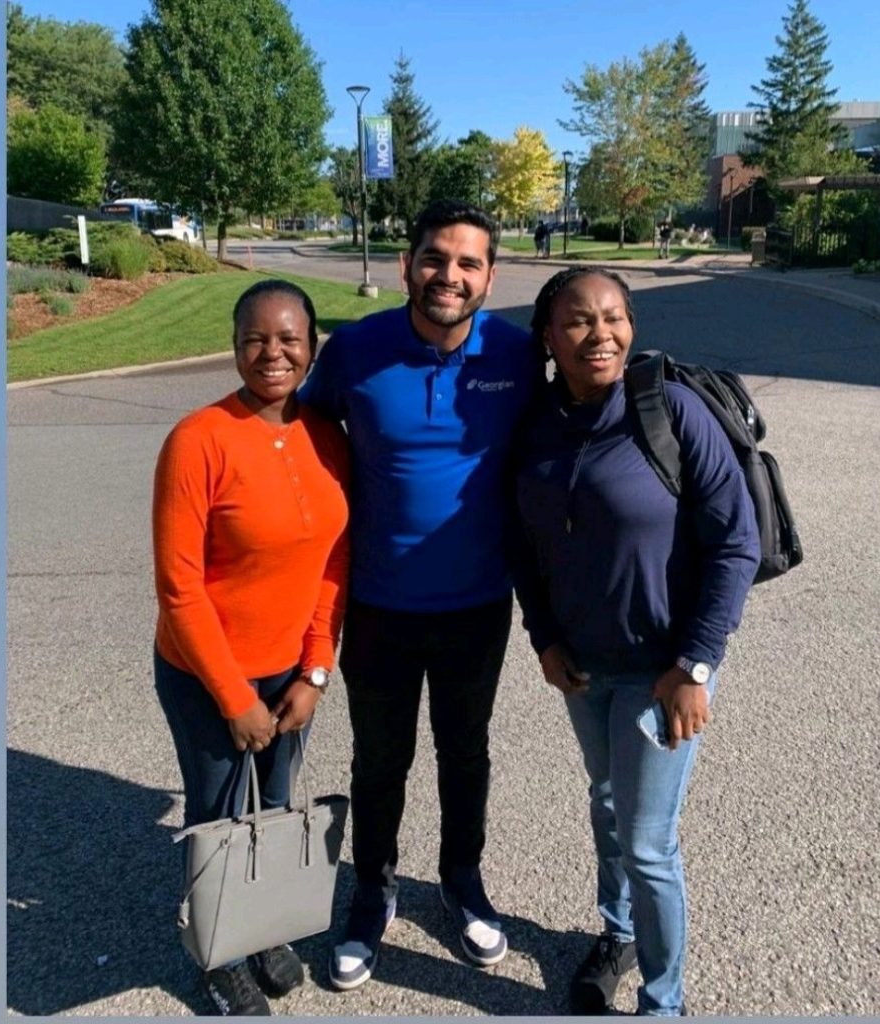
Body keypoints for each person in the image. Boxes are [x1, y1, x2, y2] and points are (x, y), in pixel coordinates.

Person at [300, 199, 540, 991]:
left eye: (469, 264)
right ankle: (373, 890)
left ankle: (462, 881)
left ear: (490, 276)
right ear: (407, 264)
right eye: (436, 258)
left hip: (478, 604)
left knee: (465, 753)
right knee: (381, 758)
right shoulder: (356, 351)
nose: (450, 276)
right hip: (378, 603)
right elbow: (298, 445)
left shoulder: (516, 352)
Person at [511, 267, 760, 1016]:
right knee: (606, 801)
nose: (602, 334)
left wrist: (696, 665)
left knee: (647, 843)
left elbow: (736, 544)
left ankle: (663, 1002)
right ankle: (617, 935)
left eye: (615, 317)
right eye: (580, 321)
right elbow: (522, 545)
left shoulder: (670, 410)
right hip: (585, 667)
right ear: (550, 338)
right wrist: (544, 636)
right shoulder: (538, 425)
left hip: (665, 669)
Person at [152, 279, 350, 1016]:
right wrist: (235, 697)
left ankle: (261, 926)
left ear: (312, 347)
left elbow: (335, 565)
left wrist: (315, 672)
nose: (272, 352)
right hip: (208, 673)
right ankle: (215, 953)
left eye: (289, 338)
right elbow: (178, 588)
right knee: (215, 815)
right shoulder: (197, 440)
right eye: (255, 339)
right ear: (235, 346)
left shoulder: (327, 437)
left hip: (291, 672)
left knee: (273, 807)